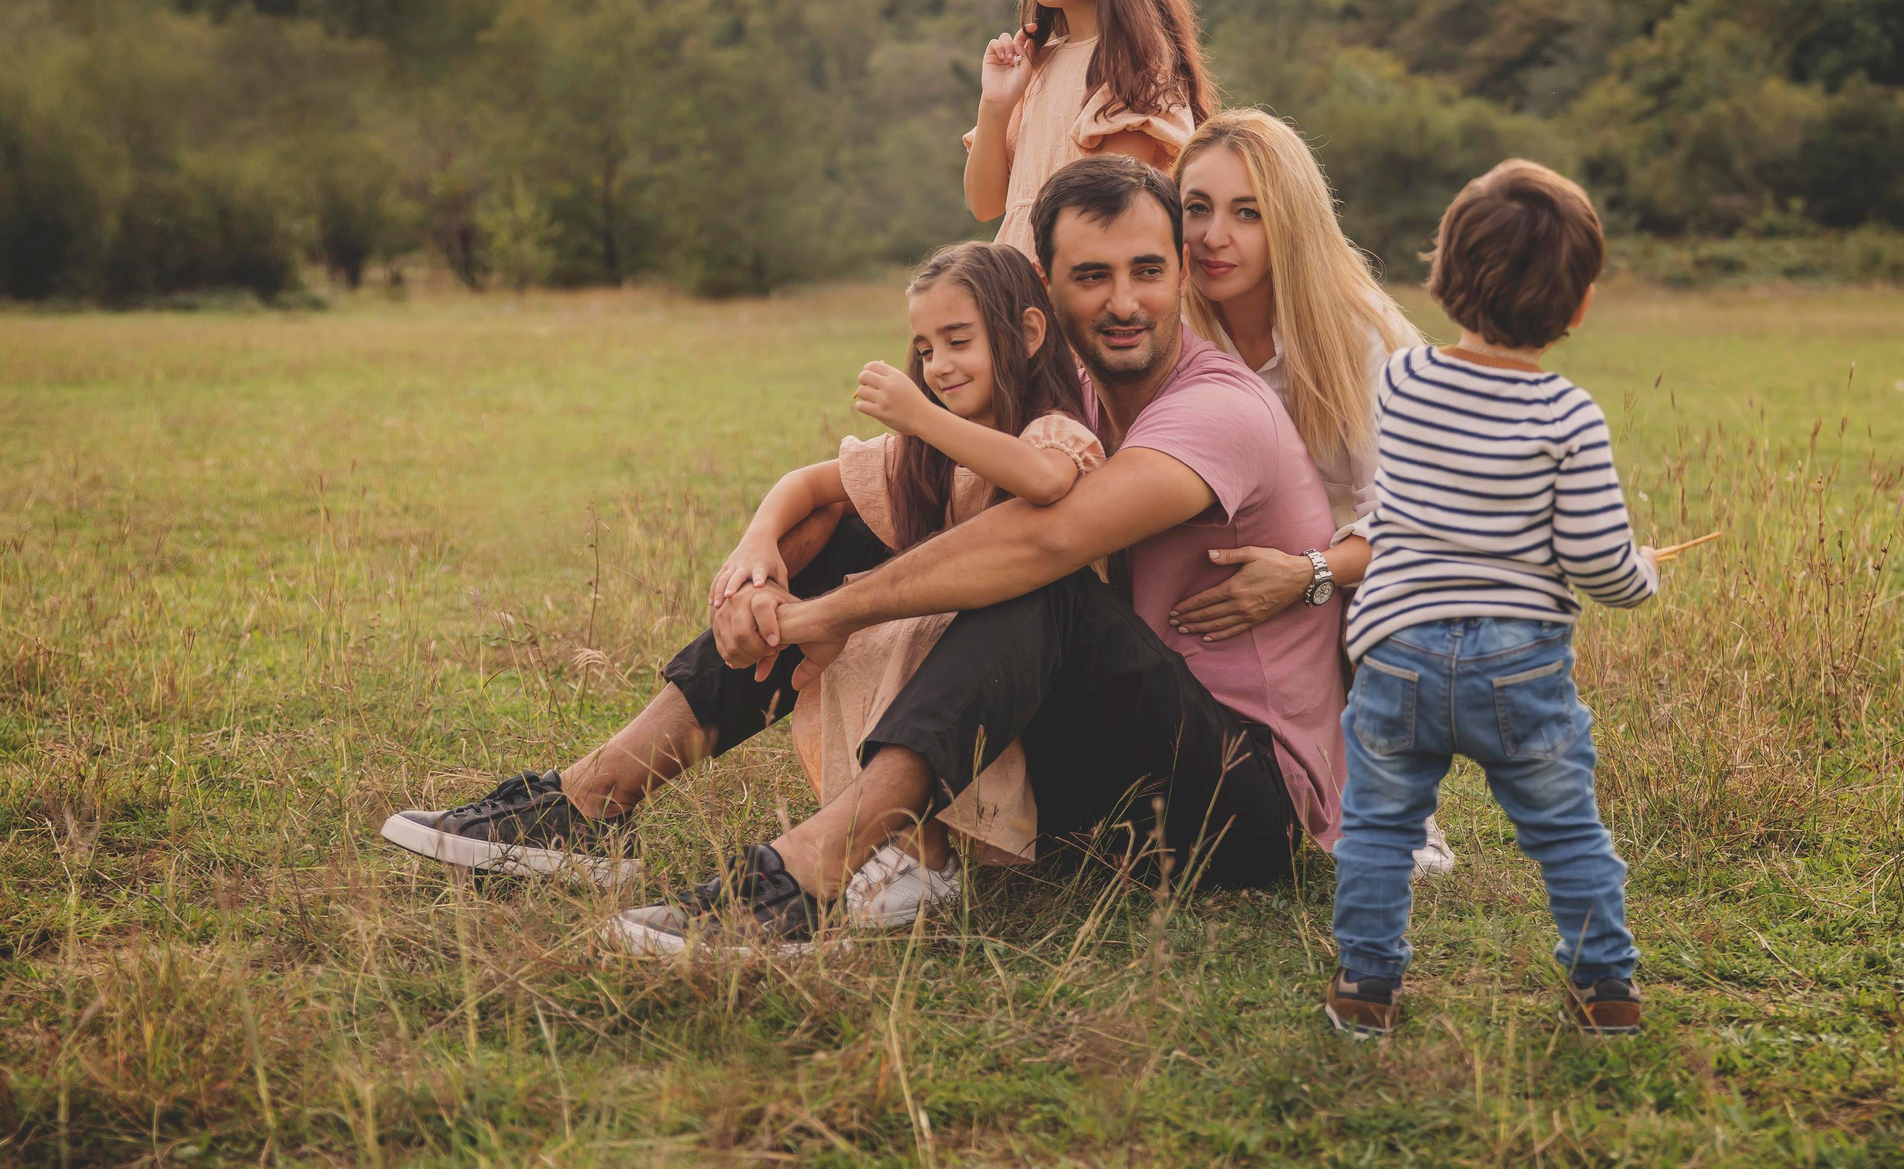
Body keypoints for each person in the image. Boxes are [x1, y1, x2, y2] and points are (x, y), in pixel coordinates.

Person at [567, 156, 1342, 956]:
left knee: (1042, 580)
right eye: (1091, 276)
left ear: (1181, 270)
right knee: (876, 516)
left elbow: (1046, 542)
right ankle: (589, 799)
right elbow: (861, 488)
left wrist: (822, 616)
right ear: (1046, 288)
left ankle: (811, 871)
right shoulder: (1065, 394)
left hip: (1240, 801)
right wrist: (755, 573)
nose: (1123, 302)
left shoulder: (1218, 409)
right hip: (1098, 783)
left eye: (1147, 270)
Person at [377, 242, 1098, 926]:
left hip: (1038, 702)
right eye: (926, 348)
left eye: (958, 341)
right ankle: (593, 802)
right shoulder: (927, 453)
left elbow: (1043, 480)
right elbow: (808, 483)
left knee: (911, 622)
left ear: (1028, 333)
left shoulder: (1050, 432)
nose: (937, 365)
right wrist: (756, 550)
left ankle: (913, 850)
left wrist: (920, 417)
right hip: (950, 674)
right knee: (845, 571)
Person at [1320, 160, 1661, 1042]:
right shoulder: (1569, 417)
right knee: (1565, 826)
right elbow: (1597, 561)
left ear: (1443, 275)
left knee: (1378, 825)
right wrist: (1643, 570)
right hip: (1518, 661)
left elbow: (1402, 502)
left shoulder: (1401, 382)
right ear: (1579, 305)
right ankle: (1605, 982)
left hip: (1396, 645)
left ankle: (1366, 983)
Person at [1166, 109, 1464, 879]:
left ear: (1290, 222)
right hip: (1234, 565)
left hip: (1360, 571)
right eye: (1196, 207)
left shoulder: (1367, 338)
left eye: (1247, 212)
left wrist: (1309, 573)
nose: (1213, 237)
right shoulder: (1178, 332)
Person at [963, 0, 1216, 260]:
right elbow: (985, 204)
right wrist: (995, 105)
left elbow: (1103, 220)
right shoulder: (1037, 64)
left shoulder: (1136, 65)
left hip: (1078, 285)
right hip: (1018, 287)